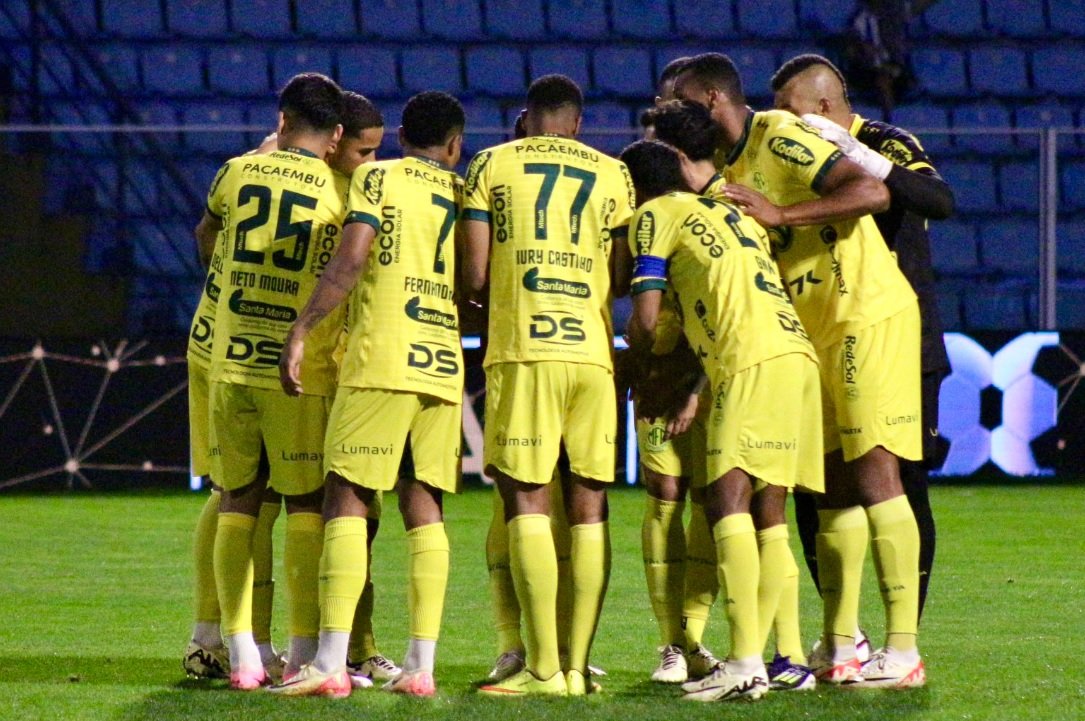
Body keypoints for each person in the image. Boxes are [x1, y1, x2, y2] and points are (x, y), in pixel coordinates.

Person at [672, 53, 927, 689]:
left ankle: (903, 652)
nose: (665, 110)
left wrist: (782, 215)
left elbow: (873, 190)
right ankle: (841, 645)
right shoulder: (728, 171)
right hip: (809, 331)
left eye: (674, 99)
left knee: (875, 470)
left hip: (863, 312)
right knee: (831, 487)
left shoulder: (781, 133)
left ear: (709, 100)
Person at [270, 91, 467, 699]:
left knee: (347, 496)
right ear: (455, 146)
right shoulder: (462, 193)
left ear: (402, 132)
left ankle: (329, 662)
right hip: (443, 358)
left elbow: (351, 258)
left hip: (383, 353)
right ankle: (421, 666)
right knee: (423, 501)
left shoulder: (377, 177)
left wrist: (302, 328)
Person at [620, 139, 823, 702]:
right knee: (769, 509)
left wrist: (634, 360)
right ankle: (790, 658)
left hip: (749, 364)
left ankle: (743, 663)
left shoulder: (653, 214)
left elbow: (647, 318)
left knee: (724, 502)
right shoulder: (731, 213)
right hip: (794, 356)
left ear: (635, 186)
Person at [462, 74, 635, 697]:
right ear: (578, 123)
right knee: (589, 507)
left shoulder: (492, 163)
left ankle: (540, 669)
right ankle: (577, 665)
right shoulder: (614, 174)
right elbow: (620, 277)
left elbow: (476, 272)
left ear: (528, 117)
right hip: (591, 353)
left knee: (526, 501)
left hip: (523, 349)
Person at [771, 53, 954, 627]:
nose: (781, 121)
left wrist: (861, 157)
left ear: (825, 106)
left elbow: (939, 202)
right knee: (815, 484)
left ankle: (905, 632)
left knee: (904, 480)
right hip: (822, 332)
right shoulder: (795, 157)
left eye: (789, 109)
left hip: (903, 337)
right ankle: (839, 629)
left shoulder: (884, 140)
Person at [194, 72, 348, 691]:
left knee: (238, 499)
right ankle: (305, 651)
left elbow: (205, 239)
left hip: (232, 360)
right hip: (297, 370)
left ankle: (241, 655)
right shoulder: (339, 194)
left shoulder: (235, 171)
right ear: (336, 135)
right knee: (306, 505)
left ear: (281, 121)